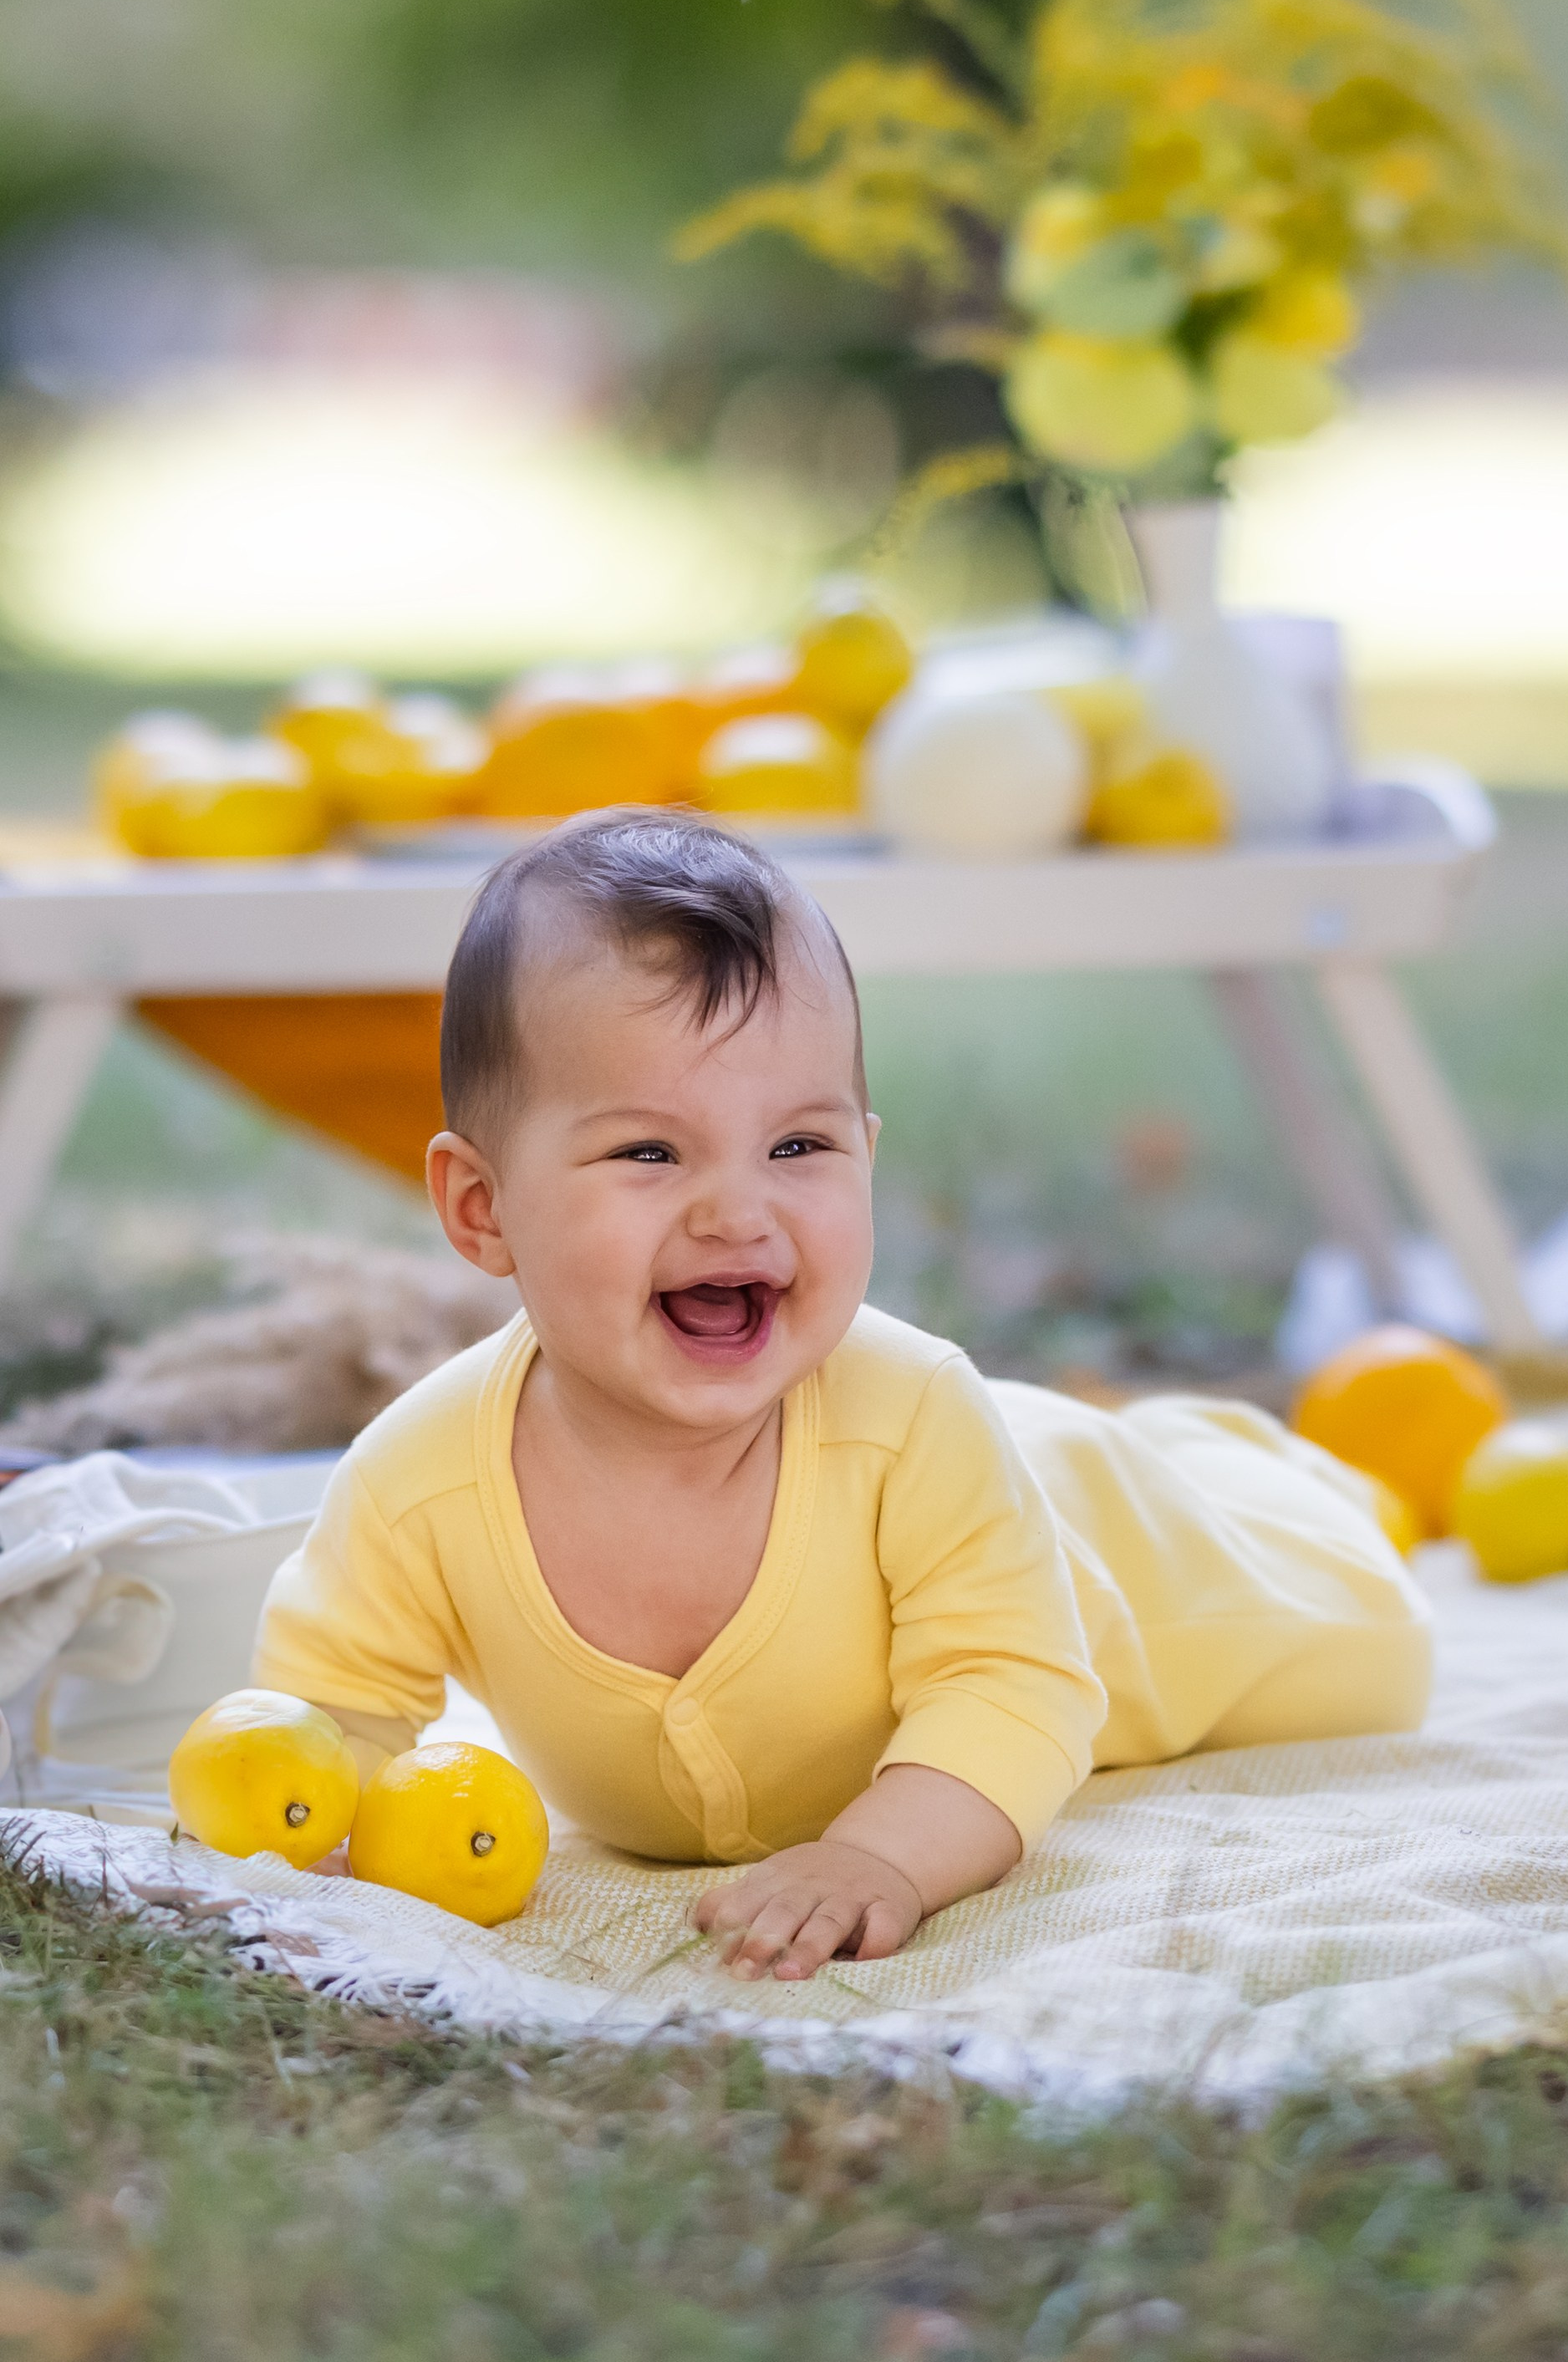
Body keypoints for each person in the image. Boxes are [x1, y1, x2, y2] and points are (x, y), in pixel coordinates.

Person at [254, 810, 1430, 1981]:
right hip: (985, 1471)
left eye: (797, 1148)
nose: (736, 1210)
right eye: (650, 1155)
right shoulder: (425, 1479)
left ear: (865, 1151)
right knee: (1049, 1454)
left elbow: (1010, 1684)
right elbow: (331, 1718)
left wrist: (883, 1857)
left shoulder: (914, 1418)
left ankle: (1252, 1473)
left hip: (1128, 1572)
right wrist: (293, 1835)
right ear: (481, 1208)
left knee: (1369, 1640)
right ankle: (1181, 1442)